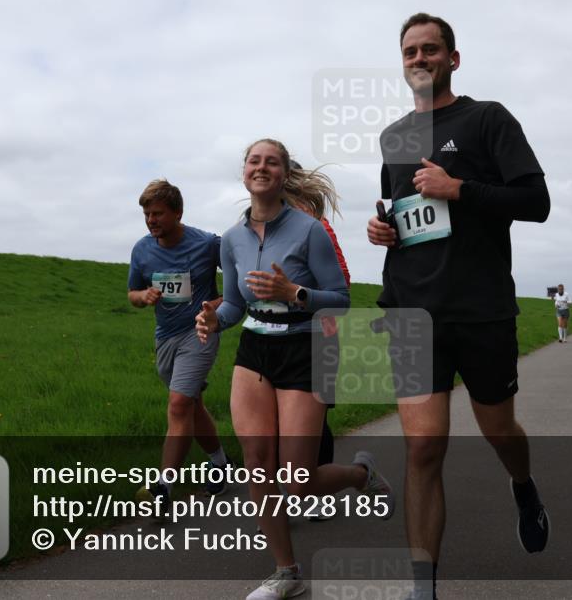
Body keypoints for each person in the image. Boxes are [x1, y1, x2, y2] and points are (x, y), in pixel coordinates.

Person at [366, 13, 551, 600]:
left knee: (498, 430)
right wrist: (384, 229)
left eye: (430, 50)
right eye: (409, 52)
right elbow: (404, 208)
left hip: (480, 308)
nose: (418, 59)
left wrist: (460, 189)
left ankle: (522, 484)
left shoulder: (488, 118)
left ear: (453, 58)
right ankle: (424, 588)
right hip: (412, 311)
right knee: (423, 447)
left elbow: (536, 201)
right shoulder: (393, 136)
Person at [196, 139, 394, 600]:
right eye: (253, 160)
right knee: (257, 466)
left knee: (297, 482)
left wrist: (295, 294)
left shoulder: (310, 231)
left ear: (284, 175)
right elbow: (234, 304)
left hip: (304, 349)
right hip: (254, 352)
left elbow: (341, 300)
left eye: (271, 161)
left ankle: (360, 475)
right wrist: (212, 318)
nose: (261, 167)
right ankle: (287, 573)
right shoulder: (231, 238)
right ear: (244, 172)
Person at [127, 179, 232, 512]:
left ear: (178, 212)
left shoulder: (207, 244)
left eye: (157, 213)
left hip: (199, 332)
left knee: (177, 405)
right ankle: (220, 462)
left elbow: (236, 285)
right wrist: (143, 296)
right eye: (146, 214)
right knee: (191, 405)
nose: (151, 220)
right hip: (166, 337)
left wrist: (217, 304)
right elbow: (132, 293)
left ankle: (163, 487)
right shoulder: (142, 249)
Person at [285, 159, 348, 521]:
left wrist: (297, 293)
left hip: (319, 336)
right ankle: (291, 495)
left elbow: (343, 284)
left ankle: (315, 493)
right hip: (277, 339)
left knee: (316, 420)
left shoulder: (317, 228)